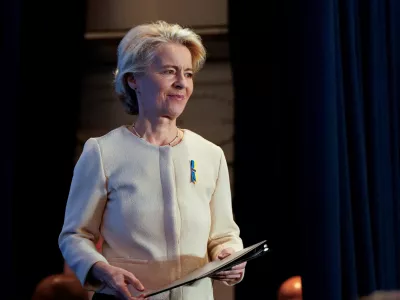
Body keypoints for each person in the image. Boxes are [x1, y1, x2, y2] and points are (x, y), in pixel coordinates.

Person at [58, 20, 246, 300]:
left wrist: (229, 255)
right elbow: (74, 236)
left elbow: (224, 235)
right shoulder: (102, 152)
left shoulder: (210, 154)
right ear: (133, 79)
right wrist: (100, 268)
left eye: (188, 74)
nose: (182, 83)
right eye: (169, 72)